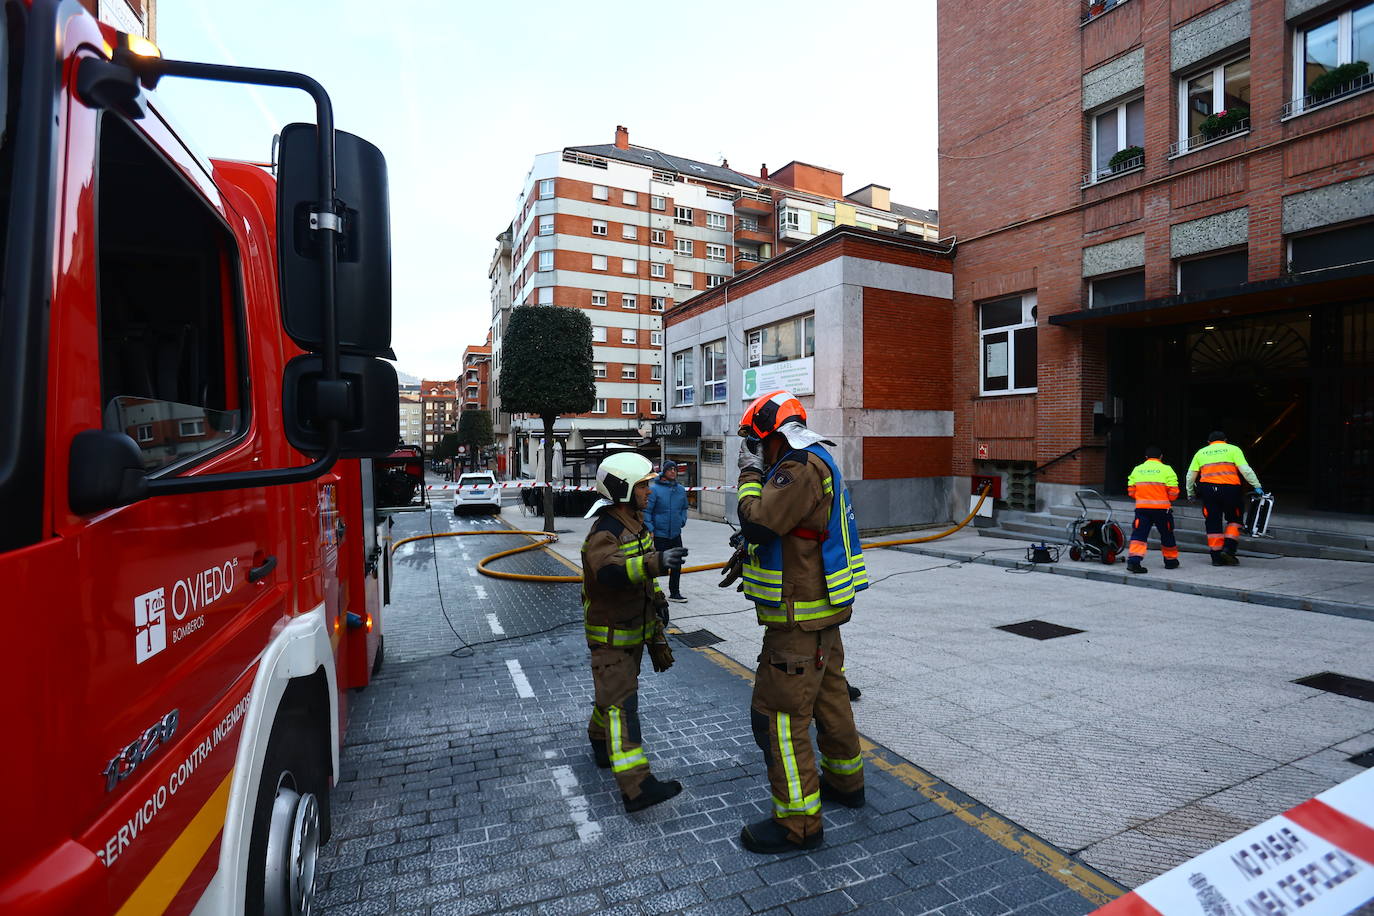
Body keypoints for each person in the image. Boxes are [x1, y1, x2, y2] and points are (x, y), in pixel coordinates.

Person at [734, 390, 867, 854]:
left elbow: (758, 523)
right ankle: (846, 783)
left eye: (756, 441)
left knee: (779, 718)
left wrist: (749, 475)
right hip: (821, 616)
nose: (755, 449)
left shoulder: (794, 469)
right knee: (832, 700)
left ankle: (798, 825)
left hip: (797, 620)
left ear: (772, 436)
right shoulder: (819, 461)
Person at [580, 452, 689, 812]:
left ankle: (599, 741)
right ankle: (637, 787)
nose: (649, 491)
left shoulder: (635, 522)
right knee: (622, 706)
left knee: (614, 695)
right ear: (622, 489)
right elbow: (610, 572)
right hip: (611, 636)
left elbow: (640, 575)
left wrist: (658, 598)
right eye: (642, 485)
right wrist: (656, 563)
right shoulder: (605, 531)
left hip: (632, 632)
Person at [1186, 431, 1263, 567]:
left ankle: (1216, 557)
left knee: (1213, 522)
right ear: (1225, 440)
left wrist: (1190, 493)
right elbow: (1245, 470)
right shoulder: (1233, 449)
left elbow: (1190, 476)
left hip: (1208, 491)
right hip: (1230, 490)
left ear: (1209, 442)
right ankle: (1229, 549)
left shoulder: (1201, 452)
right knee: (1235, 519)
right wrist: (1256, 485)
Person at [1125, 446, 1180, 574]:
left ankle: (1134, 561)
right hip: (1162, 510)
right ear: (1161, 457)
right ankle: (1170, 561)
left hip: (1142, 509)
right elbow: (1174, 493)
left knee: (1139, 535)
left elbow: (1131, 491)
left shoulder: (1137, 469)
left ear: (1146, 458)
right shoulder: (1167, 470)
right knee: (1167, 534)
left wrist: (1143, 497)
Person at [645, 460, 689, 603]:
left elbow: (684, 508)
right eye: (670, 469)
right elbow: (647, 511)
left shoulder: (681, 490)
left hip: (675, 534)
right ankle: (650, 592)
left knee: (677, 564)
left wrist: (682, 520)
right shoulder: (654, 489)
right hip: (659, 534)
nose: (673, 472)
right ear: (663, 471)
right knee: (654, 564)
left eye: (675, 469)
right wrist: (651, 529)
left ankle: (675, 593)